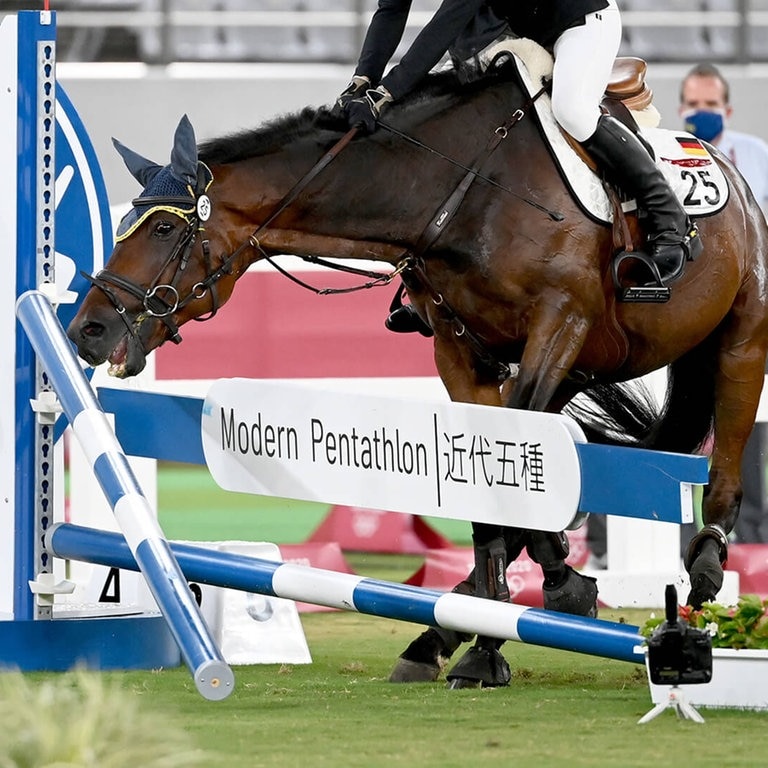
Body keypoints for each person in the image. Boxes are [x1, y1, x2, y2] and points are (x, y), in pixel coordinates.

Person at [333, 0, 703, 334]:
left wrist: (386, 94)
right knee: (441, 114)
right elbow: (391, 10)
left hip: (580, 22)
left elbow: (447, 21)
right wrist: (361, 82)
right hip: (510, 31)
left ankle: (669, 216)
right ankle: (440, 283)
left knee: (572, 111)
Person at [680, 62, 768, 545]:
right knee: (686, 422)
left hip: (748, 310)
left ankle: (751, 533)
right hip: (688, 312)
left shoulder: (756, 156)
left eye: (710, 105)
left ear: (728, 109)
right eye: (694, 103)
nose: (701, 112)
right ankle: (683, 534)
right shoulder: (669, 153)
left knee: (748, 423)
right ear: (681, 108)